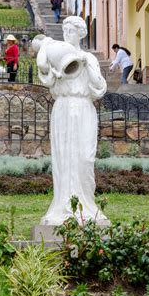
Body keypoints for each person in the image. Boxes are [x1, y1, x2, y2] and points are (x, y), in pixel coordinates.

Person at [34, 16, 107, 225]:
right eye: (65, 30)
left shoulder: (89, 58)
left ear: (80, 33)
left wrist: (85, 65)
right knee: (64, 158)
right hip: (63, 107)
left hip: (84, 108)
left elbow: (99, 88)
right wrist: (45, 49)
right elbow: (45, 73)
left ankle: (86, 205)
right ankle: (63, 205)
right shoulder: (59, 55)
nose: (68, 34)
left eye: (72, 30)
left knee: (85, 157)